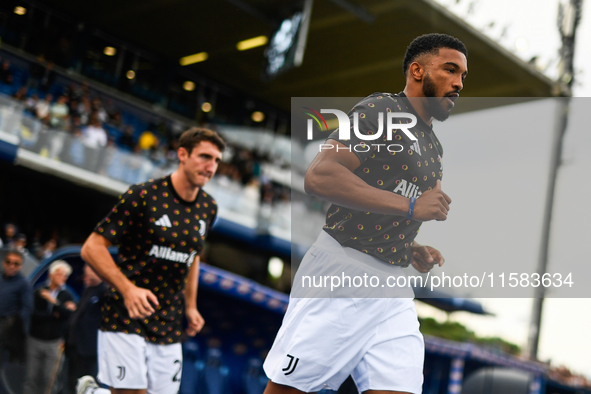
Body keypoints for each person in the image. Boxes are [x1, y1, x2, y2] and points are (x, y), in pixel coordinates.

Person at [262, 33, 468, 394]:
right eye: (450, 70)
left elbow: (384, 201)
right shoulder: (382, 111)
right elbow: (320, 175)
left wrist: (410, 244)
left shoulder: (434, 145)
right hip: (344, 271)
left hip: (393, 285)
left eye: (464, 76)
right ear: (417, 71)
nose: (458, 83)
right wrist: (411, 207)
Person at [78, 127, 225, 394]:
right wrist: (127, 289)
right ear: (182, 154)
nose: (211, 166)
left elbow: (192, 258)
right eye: (205, 156)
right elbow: (91, 248)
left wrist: (191, 307)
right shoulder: (143, 195)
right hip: (124, 316)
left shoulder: (209, 208)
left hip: (169, 323)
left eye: (216, 160)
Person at [24, 260, 77, 394]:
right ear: (51, 274)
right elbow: (34, 314)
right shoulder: (39, 291)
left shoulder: (67, 294)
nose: (62, 278)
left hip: (55, 342)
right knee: (32, 377)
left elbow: (69, 314)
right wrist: (55, 315)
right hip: (35, 339)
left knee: (51, 378)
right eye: (59, 274)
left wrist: (54, 302)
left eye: (65, 275)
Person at [66, 265, 107, 394]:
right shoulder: (88, 290)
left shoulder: (104, 291)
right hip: (75, 347)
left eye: (91, 268)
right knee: (71, 383)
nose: (86, 273)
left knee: (89, 384)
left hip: (90, 350)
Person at [0, 250, 33, 367]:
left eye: (16, 264)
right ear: (4, 263)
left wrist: (16, 328)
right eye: (9, 262)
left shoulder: (23, 283)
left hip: (8, 328)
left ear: (21, 266)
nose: (11, 266)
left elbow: (27, 308)